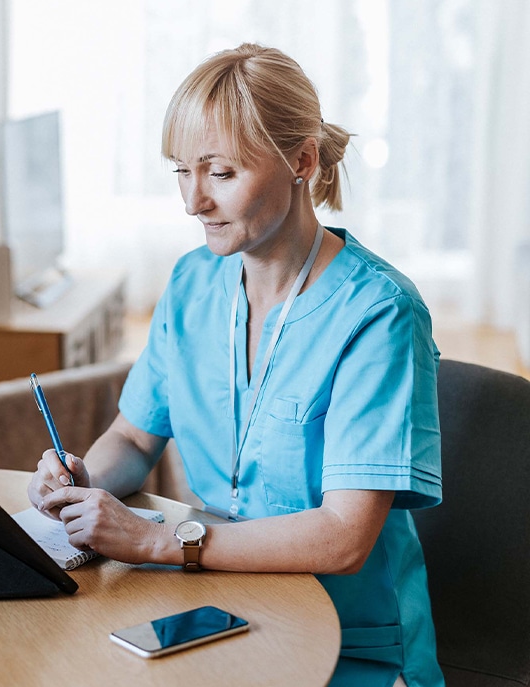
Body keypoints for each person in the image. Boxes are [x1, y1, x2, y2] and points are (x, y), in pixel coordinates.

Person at [28, 43, 443, 687]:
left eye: (220, 173)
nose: (193, 202)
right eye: (181, 171)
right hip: (213, 611)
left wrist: (156, 542)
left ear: (302, 160)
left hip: (347, 642)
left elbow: (344, 537)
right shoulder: (194, 282)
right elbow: (135, 438)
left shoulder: (379, 313)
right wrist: (83, 484)